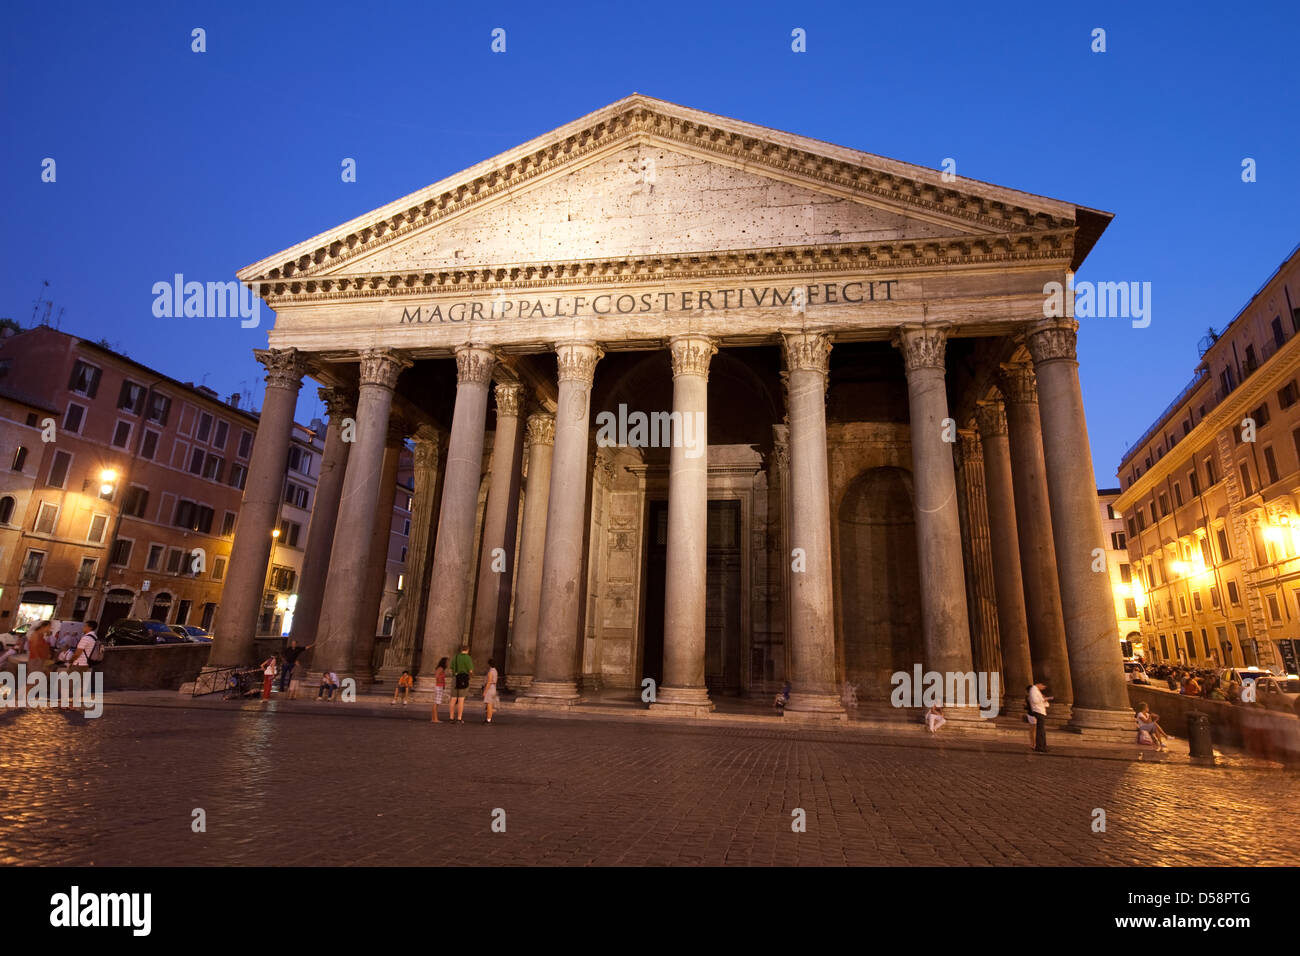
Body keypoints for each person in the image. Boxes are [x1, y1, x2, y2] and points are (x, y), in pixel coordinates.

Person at [450, 645, 473, 724]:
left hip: (455, 679)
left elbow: (452, 668)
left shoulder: (455, 657)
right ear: (467, 650)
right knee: (461, 700)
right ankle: (459, 718)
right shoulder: (468, 658)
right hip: (463, 679)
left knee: (453, 699)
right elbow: (470, 671)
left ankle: (451, 718)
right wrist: (470, 677)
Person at [1026, 680, 1051, 752]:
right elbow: (1035, 701)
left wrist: (1044, 700)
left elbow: (1046, 704)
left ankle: (1042, 746)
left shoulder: (1036, 691)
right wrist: (1044, 699)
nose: (1043, 688)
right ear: (1039, 684)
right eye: (1043, 686)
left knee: (1041, 730)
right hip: (1038, 711)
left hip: (1041, 711)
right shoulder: (1033, 690)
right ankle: (1039, 747)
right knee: (1040, 730)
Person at [430, 657, 448, 723]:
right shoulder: (440, 668)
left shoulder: (441, 668)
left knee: (436, 703)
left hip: (439, 686)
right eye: (447, 662)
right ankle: (435, 719)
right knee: (436, 703)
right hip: (439, 687)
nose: (447, 663)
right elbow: (437, 676)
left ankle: (433, 718)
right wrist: (441, 682)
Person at [483, 658, 499, 724]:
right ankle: (489, 718)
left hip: (490, 689)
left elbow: (489, 682)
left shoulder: (490, 672)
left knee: (489, 705)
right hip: (494, 688)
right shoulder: (495, 671)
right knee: (490, 704)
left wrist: (485, 691)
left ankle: (488, 719)